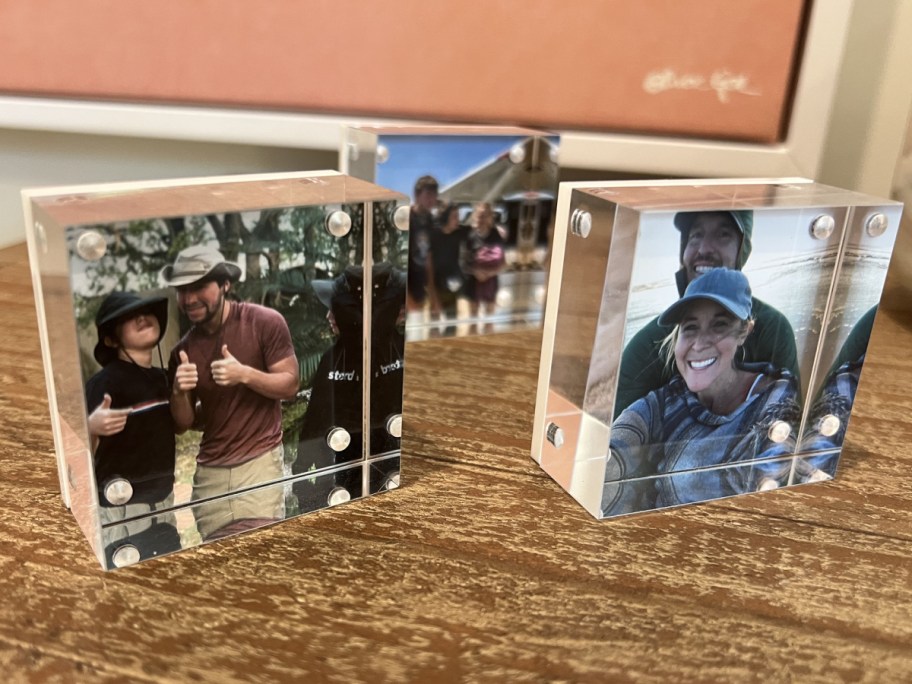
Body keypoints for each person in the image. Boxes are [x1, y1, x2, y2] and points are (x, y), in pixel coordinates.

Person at [603, 269, 801, 517]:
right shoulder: (665, 404)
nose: (699, 344)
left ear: (744, 332)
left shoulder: (776, 404)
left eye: (719, 326)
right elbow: (615, 449)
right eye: (690, 328)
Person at [162, 245, 299, 540]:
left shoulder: (264, 322)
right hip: (209, 473)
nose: (189, 299)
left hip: (259, 462)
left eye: (199, 286)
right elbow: (182, 423)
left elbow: (290, 384)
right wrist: (178, 391)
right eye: (182, 290)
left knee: (260, 550)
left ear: (225, 284)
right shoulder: (182, 351)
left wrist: (244, 374)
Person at [614, 210, 798, 419]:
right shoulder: (646, 346)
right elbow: (618, 435)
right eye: (695, 235)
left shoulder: (773, 329)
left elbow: (787, 426)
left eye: (723, 235)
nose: (704, 249)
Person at [292, 263, 406, 508]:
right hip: (344, 474)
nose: (328, 317)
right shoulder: (333, 359)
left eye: (336, 310)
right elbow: (315, 421)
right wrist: (301, 476)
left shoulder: (401, 350)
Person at [85, 291, 181, 556]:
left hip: (165, 508)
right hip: (122, 515)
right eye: (128, 317)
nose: (142, 317)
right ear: (111, 339)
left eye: (147, 311)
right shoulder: (103, 384)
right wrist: (91, 427)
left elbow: (184, 424)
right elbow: (79, 455)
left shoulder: (164, 378)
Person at [428, 202, 470, 335]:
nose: (458, 220)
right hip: (435, 284)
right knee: (434, 326)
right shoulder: (434, 235)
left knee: (451, 325)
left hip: (452, 285)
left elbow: (477, 231)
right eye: (454, 216)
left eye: (458, 216)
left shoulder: (460, 232)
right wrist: (433, 296)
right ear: (445, 218)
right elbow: (428, 266)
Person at [464, 202, 506, 324]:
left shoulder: (497, 235)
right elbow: (463, 261)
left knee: (489, 322)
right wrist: (475, 272)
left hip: (491, 282)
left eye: (485, 215)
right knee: (473, 322)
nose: (482, 218)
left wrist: (490, 273)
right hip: (473, 282)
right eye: (480, 215)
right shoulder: (470, 236)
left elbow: (504, 262)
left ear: (490, 217)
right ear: (475, 216)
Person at [407, 175, 438, 313]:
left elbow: (428, 258)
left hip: (420, 288)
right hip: (404, 290)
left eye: (434, 195)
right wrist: (407, 299)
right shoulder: (406, 218)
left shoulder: (430, 220)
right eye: (428, 194)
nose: (432, 199)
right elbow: (396, 262)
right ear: (417, 195)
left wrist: (432, 293)